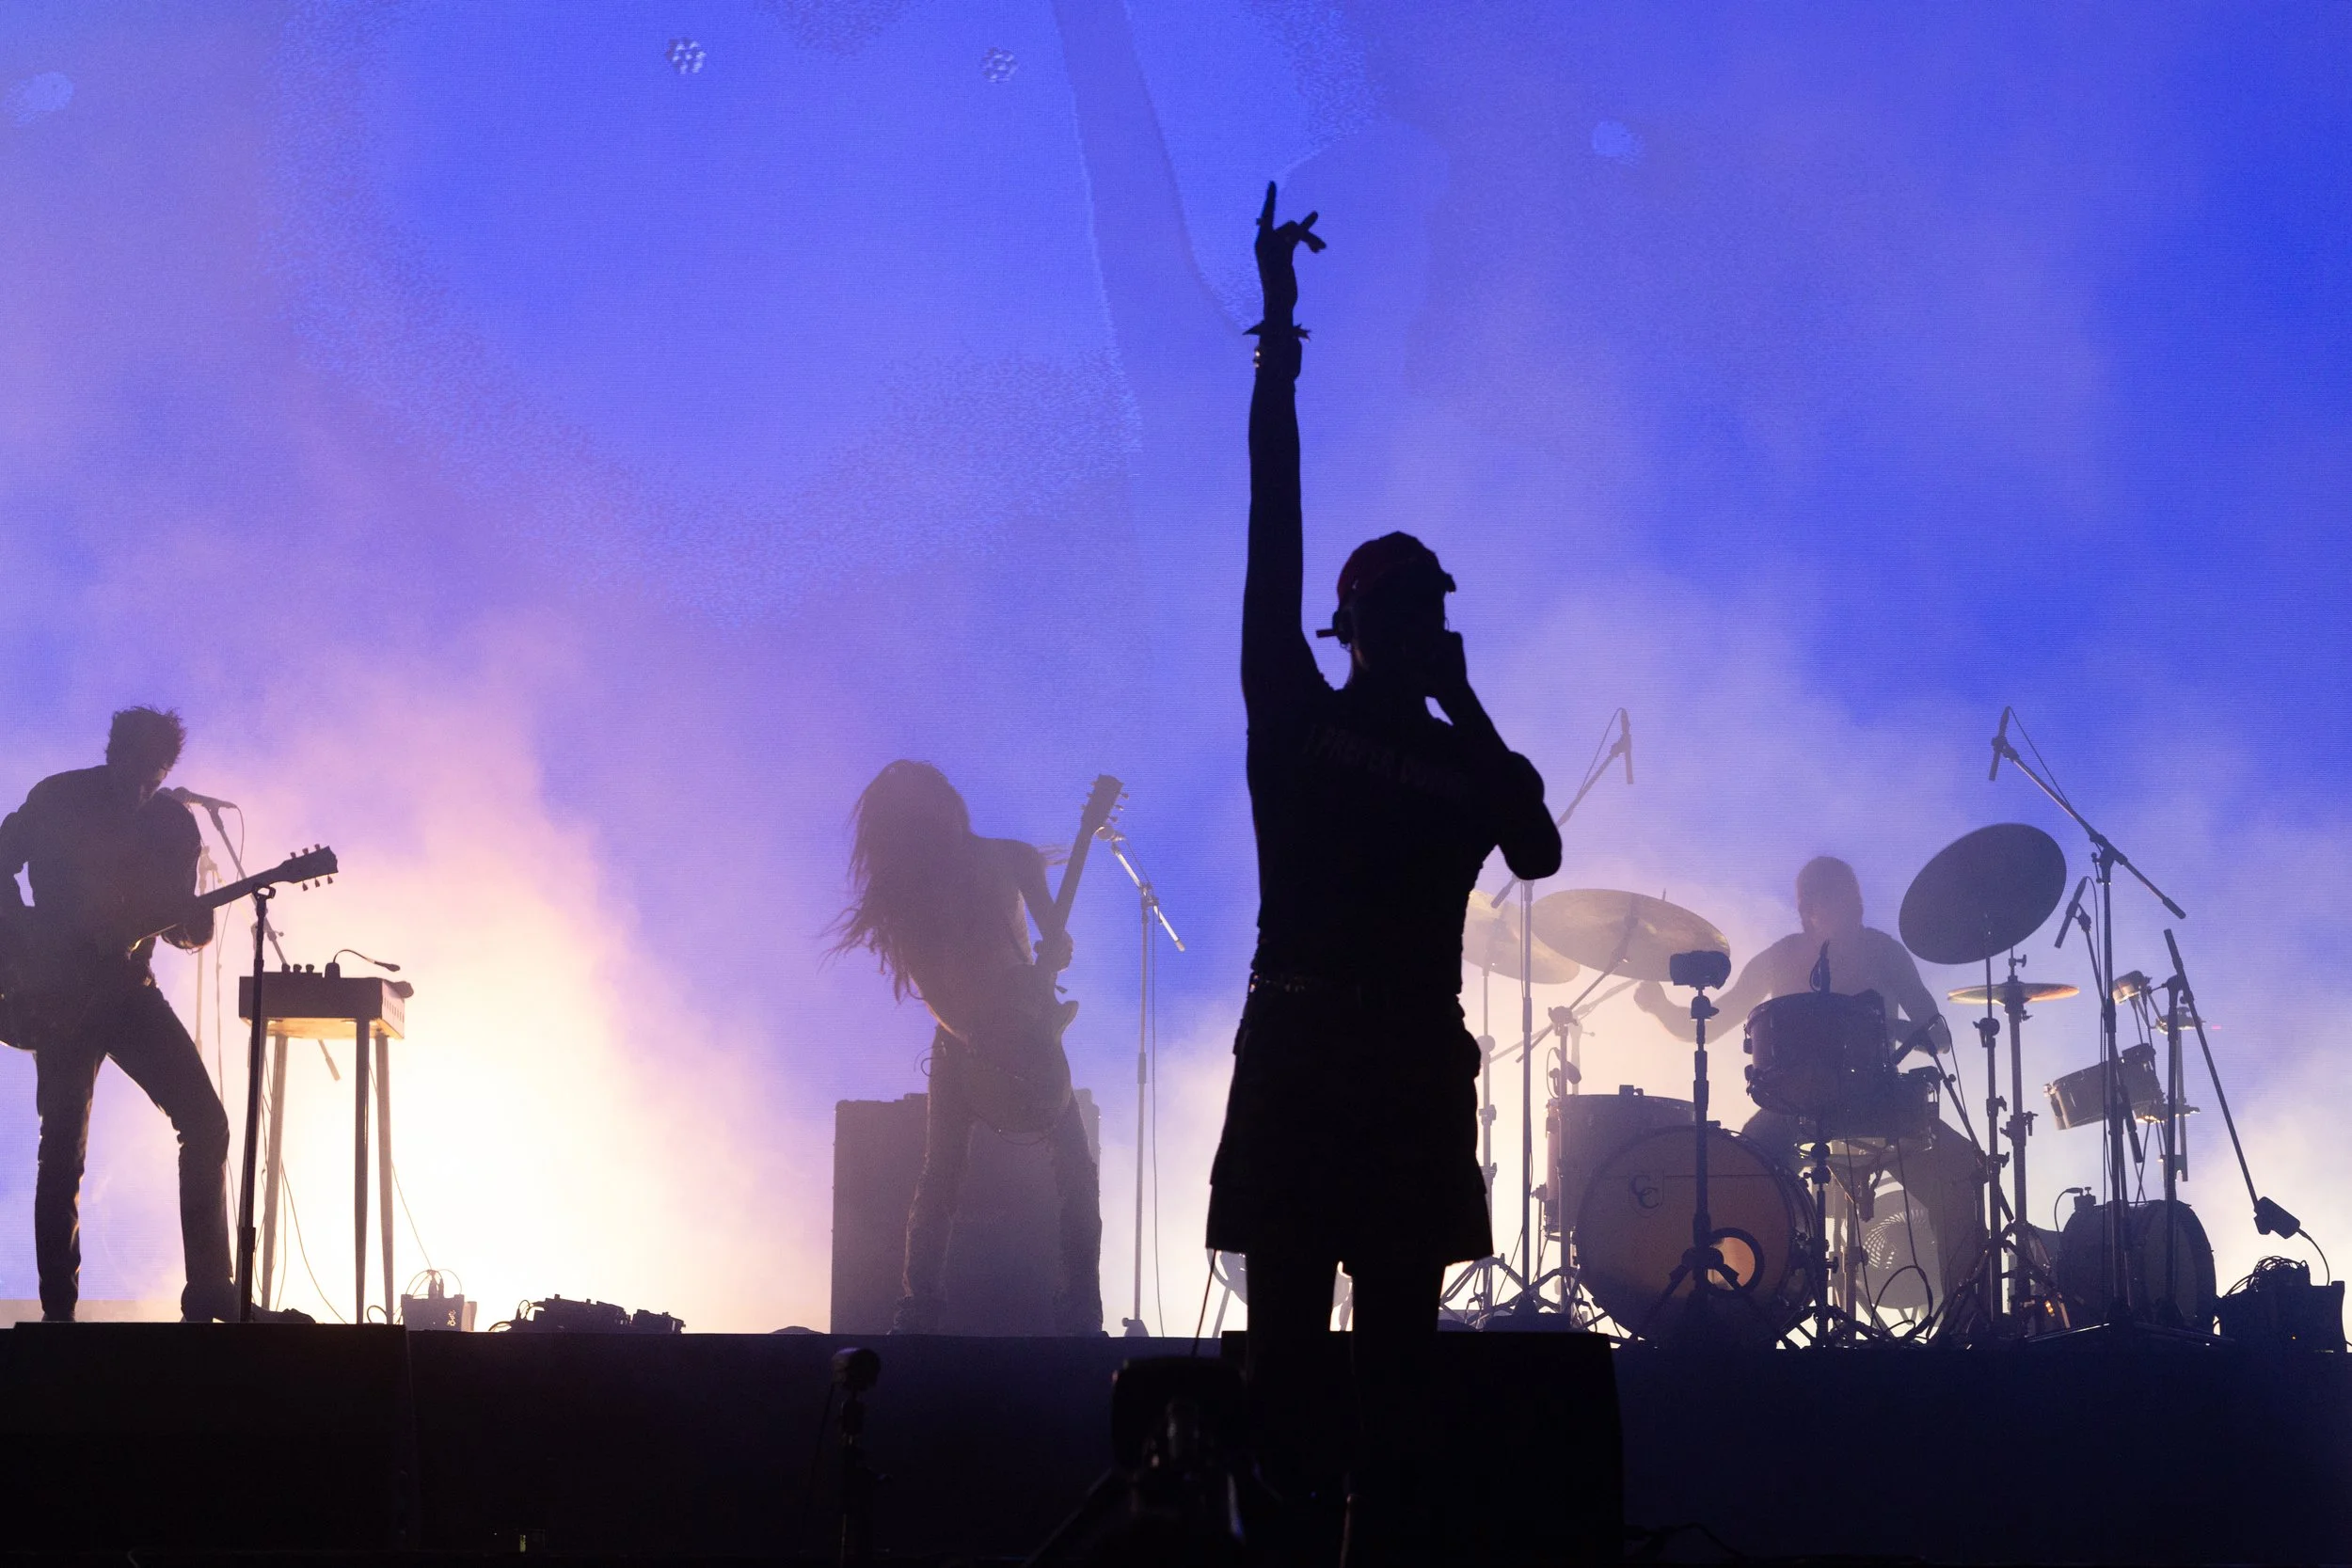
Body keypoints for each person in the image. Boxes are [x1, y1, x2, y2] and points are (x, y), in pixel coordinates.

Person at [1206, 185, 1562, 1564]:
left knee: (1397, 1343)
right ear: (1349, 621)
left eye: (1430, 607)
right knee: (1295, 1332)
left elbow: (1535, 845)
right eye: (1394, 605)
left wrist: (1467, 709)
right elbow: (1270, 514)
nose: (1413, 621)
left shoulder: (1458, 756)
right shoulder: (1296, 712)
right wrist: (1281, 337)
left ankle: (1372, 1542)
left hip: (1401, 1054)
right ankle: (1294, 1538)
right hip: (1308, 1038)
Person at [1632, 854, 1985, 1308]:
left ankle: (1967, 1317)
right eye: (1811, 903)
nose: (1819, 912)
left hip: (1876, 1098)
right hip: (1793, 1105)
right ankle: (1755, 1308)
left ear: (1854, 903)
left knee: (1959, 1171)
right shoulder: (1780, 956)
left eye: (1830, 901)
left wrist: (1879, 1028)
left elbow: (1938, 1036)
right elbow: (1711, 1026)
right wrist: (1660, 1007)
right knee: (1742, 1178)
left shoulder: (1884, 952)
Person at [834, 759, 1103, 1336]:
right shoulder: (915, 893)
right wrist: (975, 1038)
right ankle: (919, 1309)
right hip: (967, 1040)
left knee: (1075, 1170)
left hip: (1029, 1029)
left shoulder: (1013, 858)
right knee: (943, 1174)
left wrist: (1055, 953)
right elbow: (928, 981)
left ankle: (1082, 1306)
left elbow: (1054, 940)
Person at [0, 707, 239, 1323]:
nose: (139, 787)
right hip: (59, 995)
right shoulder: (58, 797)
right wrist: (22, 935)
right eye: (131, 770)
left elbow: (182, 925)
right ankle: (58, 1319)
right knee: (61, 1154)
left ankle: (210, 1290)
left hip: (129, 992)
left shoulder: (174, 824)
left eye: (153, 776)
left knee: (206, 1123)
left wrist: (196, 924)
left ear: (165, 772)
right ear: (112, 753)